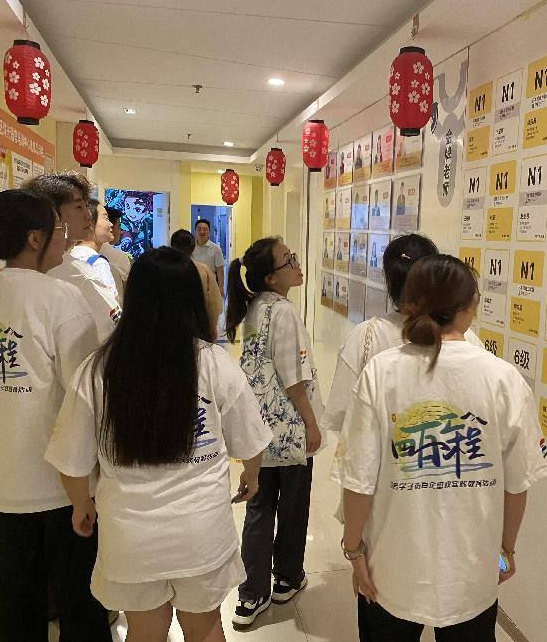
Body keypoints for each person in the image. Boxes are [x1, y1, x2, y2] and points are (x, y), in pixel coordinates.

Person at [46, 247, 271, 642]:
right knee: (205, 628)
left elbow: (72, 463)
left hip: (130, 538)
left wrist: (82, 505)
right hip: (201, 533)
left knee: (144, 633)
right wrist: (250, 477)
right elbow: (251, 443)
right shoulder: (214, 363)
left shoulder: (97, 370)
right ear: (192, 301)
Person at [339, 254, 547, 641]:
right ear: (469, 307)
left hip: (391, 571)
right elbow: (517, 483)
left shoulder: (381, 373)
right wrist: (506, 550)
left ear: (410, 304)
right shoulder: (503, 378)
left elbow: (358, 481)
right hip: (472, 574)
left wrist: (354, 551)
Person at [0, 189, 111, 642]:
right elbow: (85, 402)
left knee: (14, 619)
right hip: (59, 492)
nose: (66, 236)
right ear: (35, 238)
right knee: (82, 613)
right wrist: (92, 489)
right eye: (59, 228)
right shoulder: (59, 298)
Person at [324, 234, 487, 518]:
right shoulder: (468, 340)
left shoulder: (366, 337)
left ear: (389, 280)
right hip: (451, 484)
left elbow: (343, 417)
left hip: (380, 491)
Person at [225, 238, 324, 628]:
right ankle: (287, 577)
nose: (296, 264)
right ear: (270, 277)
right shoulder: (284, 312)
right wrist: (311, 423)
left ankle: (252, 593)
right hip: (289, 429)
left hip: (258, 429)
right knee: (293, 506)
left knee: (259, 508)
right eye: (288, 260)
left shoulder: (254, 308)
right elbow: (294, 379)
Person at [22, 173, 121, 343]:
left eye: (86, 206)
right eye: (78, 207)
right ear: (49, 213)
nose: (88, 215)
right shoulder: (57, 271)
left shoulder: (72, 264)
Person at [171, 228, 222, 340]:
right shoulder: (203, 270)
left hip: (169, 328)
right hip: (198, 327)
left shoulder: (164, 269)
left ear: (172, 246)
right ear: (193, 247)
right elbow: (214, 305)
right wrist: (212, 329)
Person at [69, 198, 118, 300]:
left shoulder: (70, 256)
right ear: (90, 223)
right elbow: (110, 306)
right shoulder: (99, 263)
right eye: (106, 218)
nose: (111, 224)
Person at [100, 206, 132, 300]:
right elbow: (128, 291)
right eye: (119, 227)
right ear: (110, 227)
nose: (120, 232)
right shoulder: (119, 257)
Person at [192, 218, 226, 297]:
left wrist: (221, 288)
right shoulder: (191, 247)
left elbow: (220, 270)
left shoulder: (216, 249)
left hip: (210, 286)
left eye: (205, 229)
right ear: (195, 231)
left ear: (209, 231)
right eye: (199, 229)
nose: (202, 232)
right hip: (193, 284)